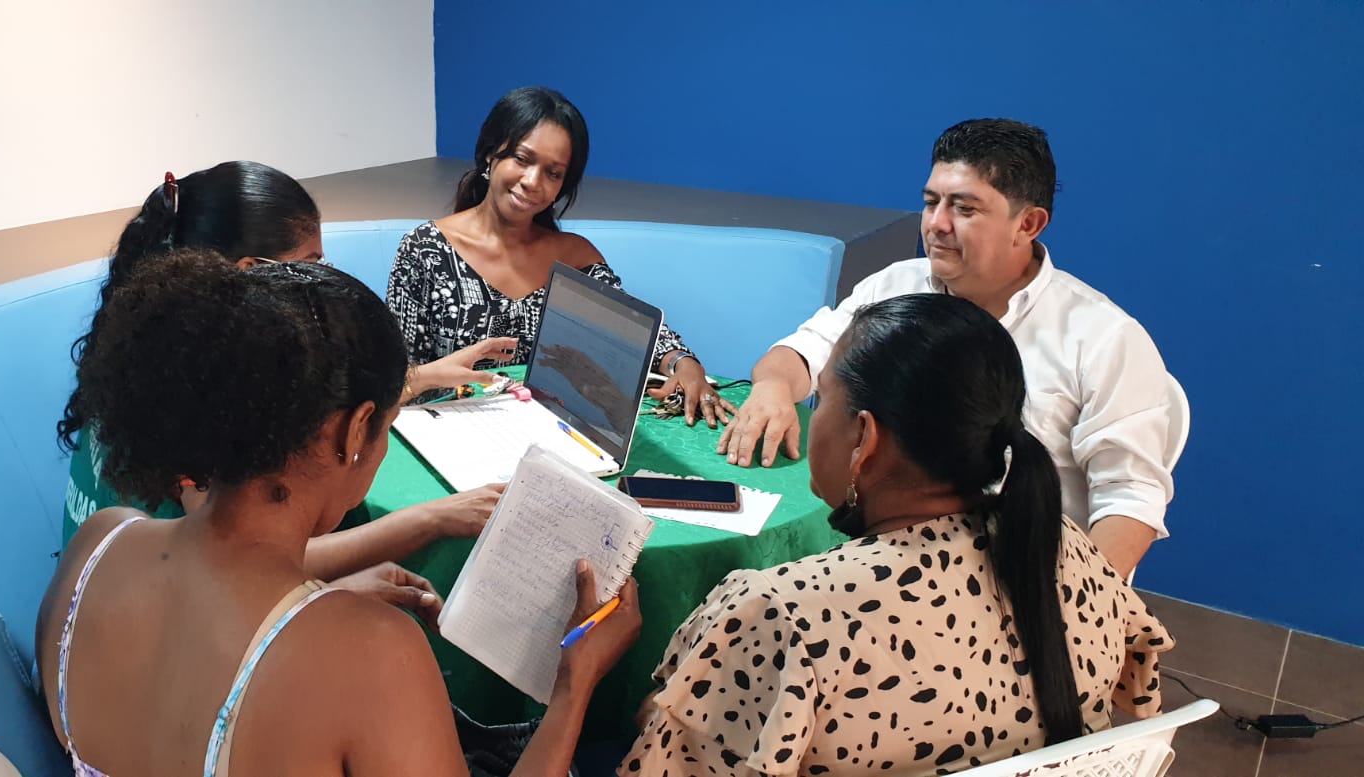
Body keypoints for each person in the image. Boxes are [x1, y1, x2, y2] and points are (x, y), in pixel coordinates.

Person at [39, 251, 642, 776]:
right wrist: (574, 684)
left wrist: (321, 609)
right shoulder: (373, 652)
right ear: (355, 430)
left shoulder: (99, 543)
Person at [621, 294, 1173, 777]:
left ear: (865, 438)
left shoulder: (781, 615)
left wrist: (607, 690)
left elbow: (667, 760)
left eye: (823, 399)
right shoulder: (1072, 551)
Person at [719, 119, 1173, 577]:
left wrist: (1078, 603)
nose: (936, 224)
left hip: (1019, 578)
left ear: (1028, 224)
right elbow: (805, 351)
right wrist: (774, 387)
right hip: (881, 561)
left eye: (965, 208)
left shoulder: (1105, 338)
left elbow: (1130, 498)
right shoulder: (895, 286)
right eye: (931, 202)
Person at [59, 161, 517, 583]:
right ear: (253, 273)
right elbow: (247, 564)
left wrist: (424, 376)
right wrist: (430, 518)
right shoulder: (200, 409)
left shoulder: (158, 354)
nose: (321, 280)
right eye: (311, 265)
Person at [386, 86, 734, 428]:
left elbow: (634, 332)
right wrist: (433, 375)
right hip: (447, 432)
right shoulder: (425, 250)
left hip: (552, 431)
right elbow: (389, 384)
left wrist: (683, 364)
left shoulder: (574, 257)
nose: (532, 181)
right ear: (490, 155)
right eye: (522, 159)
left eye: (553, 173)